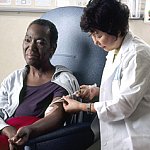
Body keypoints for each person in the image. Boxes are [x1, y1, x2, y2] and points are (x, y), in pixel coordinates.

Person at [63, 0, 150, 149]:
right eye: (92, 34)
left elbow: (124, 105)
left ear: (115, 28)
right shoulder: (114, 50)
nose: (95, 41)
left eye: (98, 34)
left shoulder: (137, 54)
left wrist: (82, 107)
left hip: (134, 138)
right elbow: (121, 87)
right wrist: (97, 91)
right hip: (116, 135)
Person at [0, 19, 79, 150]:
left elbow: (56, 116)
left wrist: (29, 130)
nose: (31, 47)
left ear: (52, 48)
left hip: (34, 137)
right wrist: (8, 130)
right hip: (8, 133)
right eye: (27, 40)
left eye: (40, 42)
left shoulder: (62, 80)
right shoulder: (14, 79)